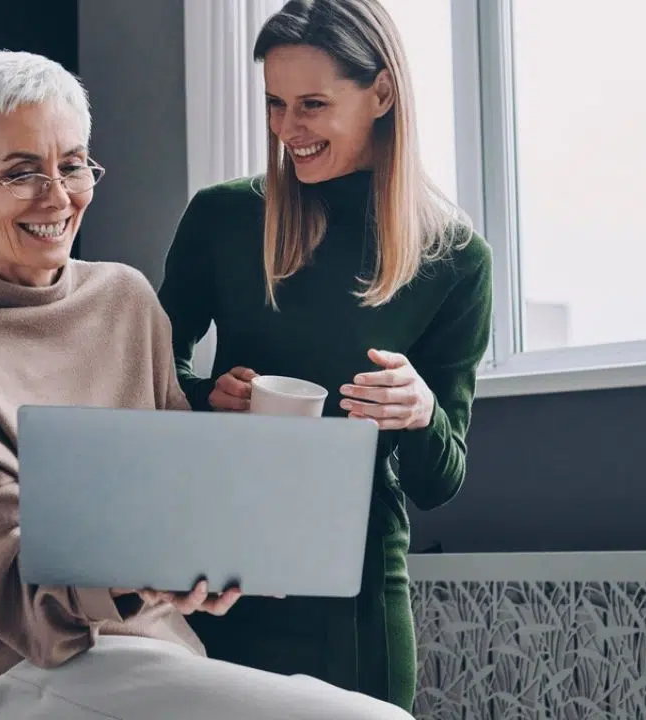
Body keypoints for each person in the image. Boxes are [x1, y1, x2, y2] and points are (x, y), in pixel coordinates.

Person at [0, 50, 414, 720]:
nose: (56, 196)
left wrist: (222, 545)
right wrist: (148, 574)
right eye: (21, 172)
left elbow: (174, 494)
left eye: (72, 164)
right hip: (15, 676)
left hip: (157, 653)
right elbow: (25, 609)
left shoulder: (125, 300)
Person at [158, 0, 494, 712]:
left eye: (312, 104)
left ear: (381, 93)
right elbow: (145, 380)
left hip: (356, 591)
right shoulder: (221, 219)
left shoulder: (456, 259)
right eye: (275, 104)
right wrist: (203, 396)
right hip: (221, 574)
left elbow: (441, 482)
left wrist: (421, 410)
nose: (287, 130)